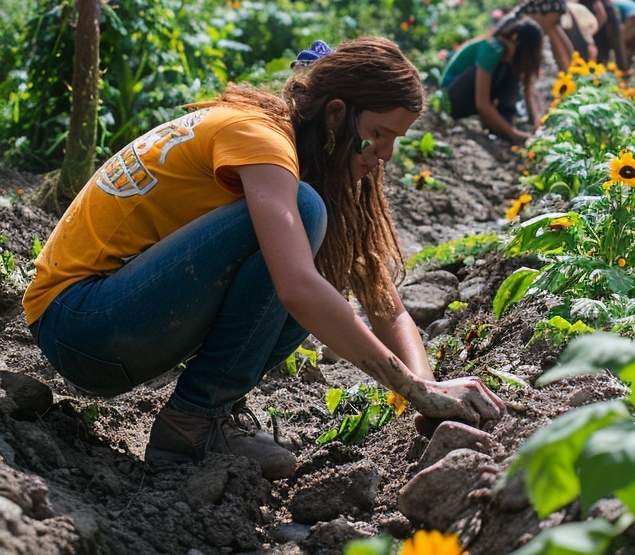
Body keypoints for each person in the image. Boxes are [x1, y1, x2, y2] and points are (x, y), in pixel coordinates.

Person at [22, 39, 504, 479]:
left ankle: (203, 418)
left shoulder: (290, 149)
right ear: (336, 113)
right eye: (379, 133)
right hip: (78, 322)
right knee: (307, 218)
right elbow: (295, 286)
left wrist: (425, 385)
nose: (388, 154)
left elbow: (385, 303)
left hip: (106, 321)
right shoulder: (261, 139)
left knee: (316, 228)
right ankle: (196, 420)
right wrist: (414, 391)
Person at [441, 18, 544, 142]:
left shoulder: (508, 56)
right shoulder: (492, 48)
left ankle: (500, 126)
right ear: (514, 38)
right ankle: (500, 128)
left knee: (512, 69)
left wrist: (537, 125)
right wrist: (515, 135)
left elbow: (528, 90)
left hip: (470, 98)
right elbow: (482, 104)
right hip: (451, 98)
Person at [495, 0, 574, 74]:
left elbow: (571, 64)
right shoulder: (516, 30)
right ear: (541, 12)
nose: (557, 23)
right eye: (556, 19)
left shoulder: (544, 28)